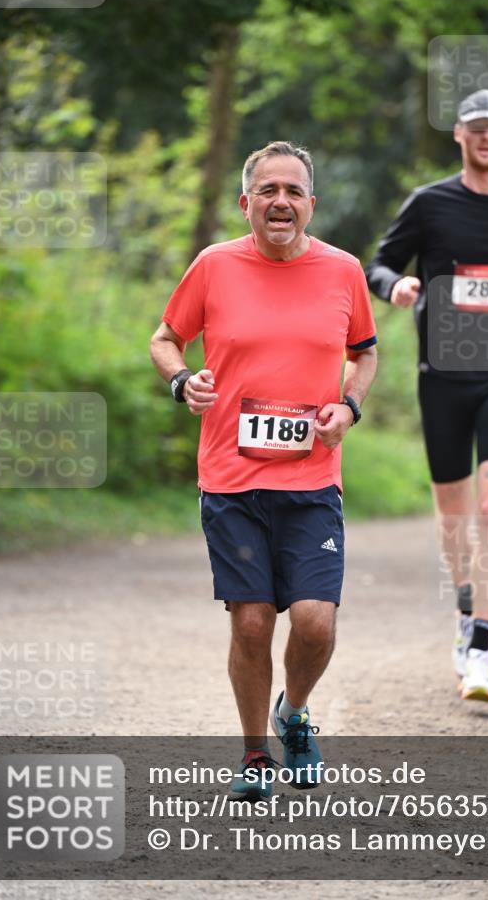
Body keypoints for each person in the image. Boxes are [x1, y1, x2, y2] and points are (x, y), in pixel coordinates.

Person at [151, 141, 377, 797]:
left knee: (313, 620)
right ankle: (254, 755)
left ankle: (294, 713)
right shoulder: (214, 265)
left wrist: (349, 405)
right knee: (250, 623)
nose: (281, 201)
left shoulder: (342, 270)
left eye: (294, 191)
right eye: (268, 190)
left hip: (311, 480)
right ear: (246, 202)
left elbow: (363, 354)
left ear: (311, 203)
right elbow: (165, 337)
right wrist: (180, 380)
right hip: (231, 478)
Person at [366, 90, 488, 703]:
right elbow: (378, 263)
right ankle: (464, 610)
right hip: (443, 373)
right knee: (453, 513)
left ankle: (480, 651)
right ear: (459, 135)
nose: (485, 137)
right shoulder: (429, 204)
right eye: (475, 127)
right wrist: (397, 285)